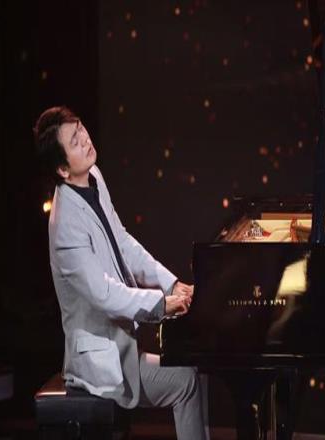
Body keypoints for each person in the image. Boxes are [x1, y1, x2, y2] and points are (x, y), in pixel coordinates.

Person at [33, 106, 208, 440]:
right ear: (62, 169)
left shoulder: (94, 176)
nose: (85, 139)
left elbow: (123, 242)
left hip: (122, 344)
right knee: (186, 381)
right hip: (100, 362)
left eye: (81, 129)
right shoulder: (65, 224)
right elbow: (104, 294)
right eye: (74, 141)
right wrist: (161, 304)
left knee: (197, 371)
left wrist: (171, 283)